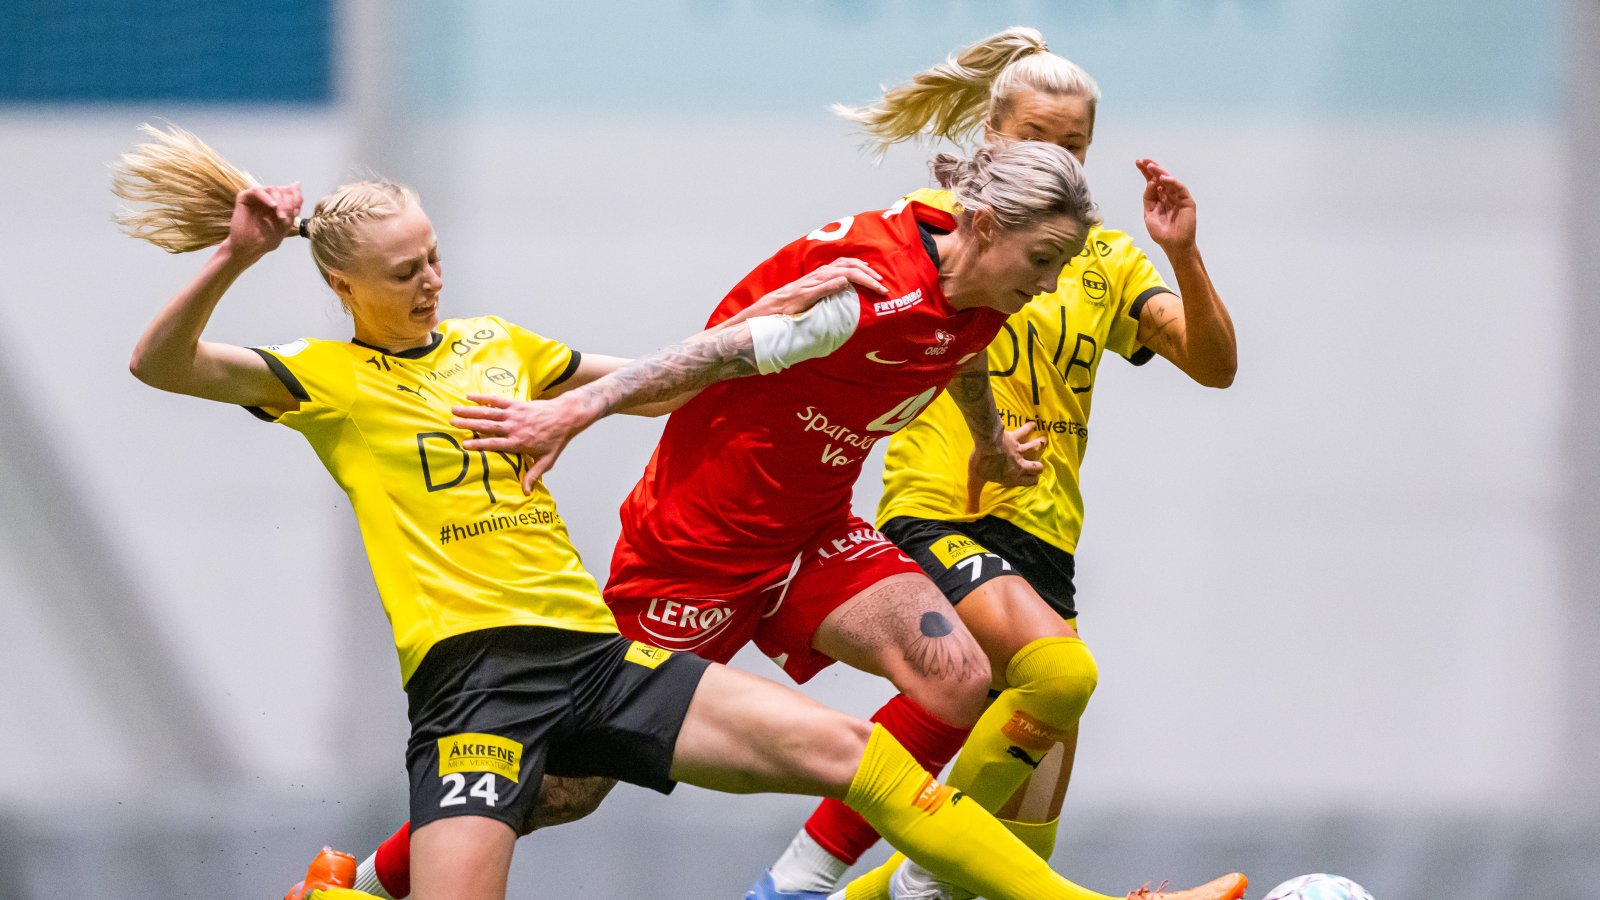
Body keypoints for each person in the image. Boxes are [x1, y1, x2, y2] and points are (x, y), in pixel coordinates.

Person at [114, 124, 1196, 900]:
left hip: (619, 637)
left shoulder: (499, 345)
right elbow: (161, 366)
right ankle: (350, 887)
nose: (434, 279)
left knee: (898, 726)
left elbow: (677, 378)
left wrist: (769, 339)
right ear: (346, 288)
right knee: (568, 801)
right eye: (408, 269)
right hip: (498, 670)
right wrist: (234, 259)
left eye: (437, 254)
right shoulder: (322, 379)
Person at [749, 27, 1239, 900]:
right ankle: (861, 878)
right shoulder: (945, 229)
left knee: (1007, 861)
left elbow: (1215, 365)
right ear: (991, 138)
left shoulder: (1107, 261)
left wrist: (1183, 250)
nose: (1062, 160)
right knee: (1060, 671)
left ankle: (852, 891)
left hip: (1045, 544)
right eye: (1038, 140)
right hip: (944, 516)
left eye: (1076, 146)